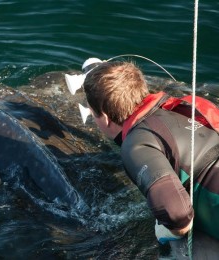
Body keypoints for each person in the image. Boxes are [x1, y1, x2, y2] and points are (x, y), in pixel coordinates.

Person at [73, 59, 219, 243]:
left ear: (105, 117)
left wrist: (168, 233)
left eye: (93, 114)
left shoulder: (135, 144)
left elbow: (177, 214)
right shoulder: (182, 109)